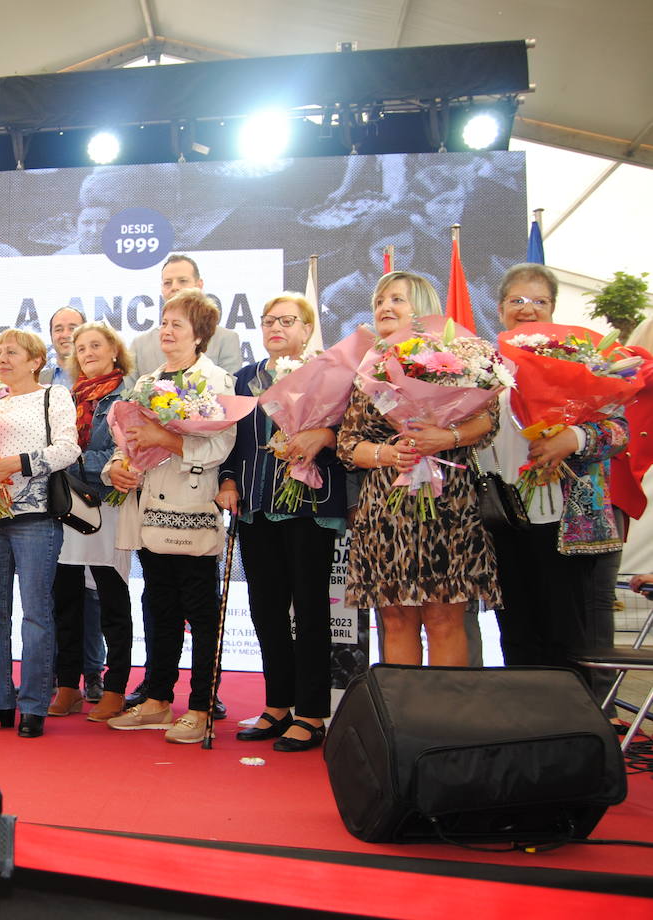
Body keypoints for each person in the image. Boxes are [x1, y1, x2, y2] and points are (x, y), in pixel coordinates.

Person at [336, 271, 500, 667]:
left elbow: (488, 421)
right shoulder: (369, 370)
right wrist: (385, 455)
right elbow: (347, 445)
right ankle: (403, 720)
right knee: (394, 619)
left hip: (447, 507)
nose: (385, 308)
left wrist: (448, 437)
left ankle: (445, 719)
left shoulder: (459, 359)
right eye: (379, 301)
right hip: (385, 512)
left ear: (423, 309)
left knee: (444, 618)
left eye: (397, 300)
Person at [216, 295, 350, 752]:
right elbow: (231, 440)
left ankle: (311, 712)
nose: (276, 327)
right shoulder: (245, 378)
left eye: (287, 321)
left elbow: (347, 434)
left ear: (308, 327)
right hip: (255, 501)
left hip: (310, 502)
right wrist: (229, 479)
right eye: (269, 320)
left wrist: (322, 438)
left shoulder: (331, 375)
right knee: (266, 606)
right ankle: (278, 704)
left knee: (310, 608)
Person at [480, 264, 627, 678]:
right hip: (502, 520)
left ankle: (574, 730)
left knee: (568, 636)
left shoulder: (584, 361)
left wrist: (574, 439)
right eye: (517, 301)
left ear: (553, 309)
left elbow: (620, 431)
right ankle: (529, 729)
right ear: (500, 307)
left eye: (539, 301)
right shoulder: (484, 368)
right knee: (516, 633)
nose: (527, 309)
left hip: (568, 521)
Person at [103, 291, 234, 744]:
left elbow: (220, 447)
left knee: (200, 613)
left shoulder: (215, 380)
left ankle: (200, 707)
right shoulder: (147, 381)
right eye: (163, 323)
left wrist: (168, 439)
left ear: (199, 334)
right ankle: (158, 699)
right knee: (158, 609)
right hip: (150, 512)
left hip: (193, 508)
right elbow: (128, 442)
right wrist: (117, 468)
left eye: (177, 324)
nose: (166, 331)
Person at [0, 329, 80, 739]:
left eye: (12, 352)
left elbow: (69, 449)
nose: (3, 358)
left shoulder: (54, 396)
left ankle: (33, 706)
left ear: (35, 361)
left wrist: (14, 464)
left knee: (35, 614)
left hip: (35, 516)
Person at [49, 322, 133, 723]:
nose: (87, 352)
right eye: (80, 348)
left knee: (112, 602)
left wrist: (78, 462)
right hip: (67, 508)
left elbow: (127, 451)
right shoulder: (63, 397)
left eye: (96, 345)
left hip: (109, 506)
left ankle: (115, 688)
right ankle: (68, 685)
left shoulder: (129, 394)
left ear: (115, 350)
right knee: (64, 601)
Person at [130, 254, 244, 379]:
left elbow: (230, 391)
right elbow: (129, 396)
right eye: (168, 283)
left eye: (182, 281)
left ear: (199, 285)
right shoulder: (140, 345)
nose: (175, 287)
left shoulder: (226, 339)